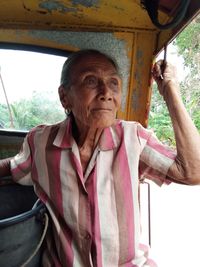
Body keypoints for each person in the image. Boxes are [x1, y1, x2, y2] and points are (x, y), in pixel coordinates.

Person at [0, 49, 200, 267]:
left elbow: (192, 172)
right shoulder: (40, 142)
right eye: (91, 81)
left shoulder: (133, 138)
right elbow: (13, 167)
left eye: (114, 83)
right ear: (64, 97)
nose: (106, 93)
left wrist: (170, 90)